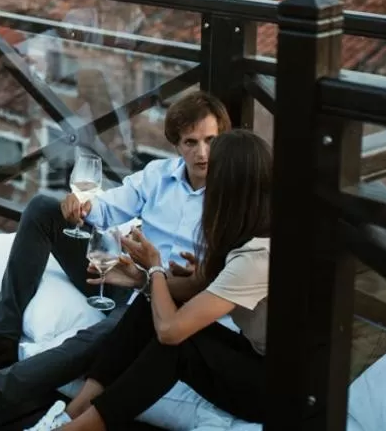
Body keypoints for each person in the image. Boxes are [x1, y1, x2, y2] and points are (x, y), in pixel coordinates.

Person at [0, 91, 231, 429]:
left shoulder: (233, 192)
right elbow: (111, 206)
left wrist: (194, 274)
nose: (202, 153)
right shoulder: (158, 174)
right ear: (176, 144)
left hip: (162, 301)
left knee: (91, 341)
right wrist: (83, 205)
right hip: (124, 277)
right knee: (44, 208)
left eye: (210, 140)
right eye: (191, 142)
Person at [27, 129, 272, 430]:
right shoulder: (244, 236)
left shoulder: (257, 257)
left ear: (230, 188)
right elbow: (192, 287)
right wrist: (141, 280)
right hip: (254, 356)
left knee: (178, 347)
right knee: (149, 305)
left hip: (280, 390)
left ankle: (75, 429)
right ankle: (72, 412)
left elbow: (170, 332)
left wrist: (155, 267)